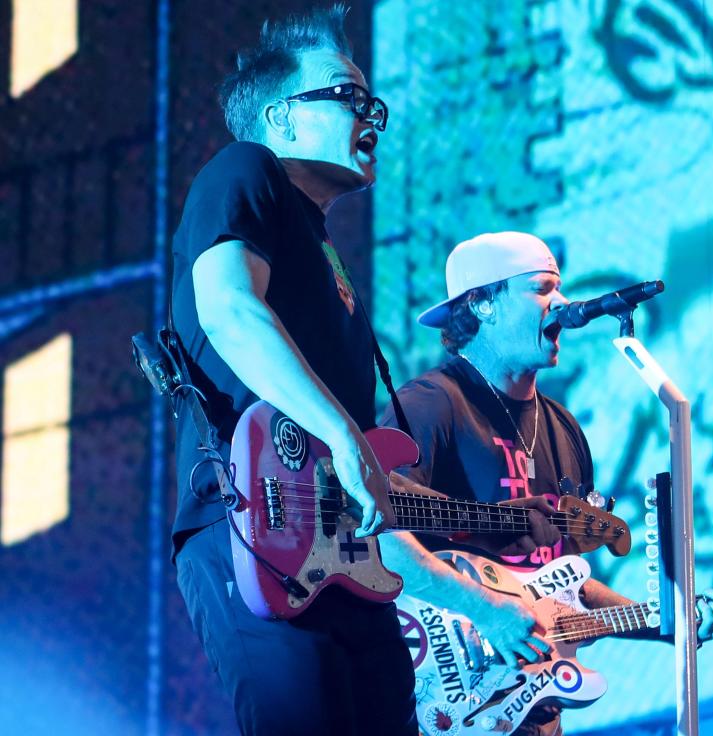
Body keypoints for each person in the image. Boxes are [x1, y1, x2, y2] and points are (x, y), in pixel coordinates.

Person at [379, 232, 713, 736]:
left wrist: (673, 621)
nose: (563, 305)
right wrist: (482, 608)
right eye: (541, 288)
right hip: (446, 700)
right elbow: (376, 530)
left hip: (536, 705)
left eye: (559, 287)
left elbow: (565, 584)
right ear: (483, 303)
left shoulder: (563, 429)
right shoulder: (430, 404)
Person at [168, 7, 415, 734]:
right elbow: (231, 313)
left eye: (373, 100)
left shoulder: (322, 244)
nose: (371, 114)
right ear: (280, 117)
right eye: (347, 95)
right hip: (249, 523)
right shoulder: (243, 170)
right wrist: (345, 437)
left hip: (338, 553)